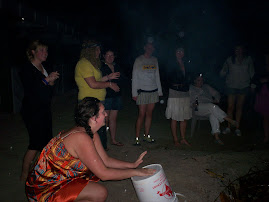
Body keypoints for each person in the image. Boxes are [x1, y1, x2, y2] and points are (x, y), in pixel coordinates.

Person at [25, 97, 155, 201]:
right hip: (45, 189)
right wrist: (136, 173)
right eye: (103, 112)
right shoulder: (81, 137)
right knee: (99, 192)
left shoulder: (90, 131)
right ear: (94, 118)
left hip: (61, 180)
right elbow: (103, 174)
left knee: (95, 190)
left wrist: (132, 166)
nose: (106, 115)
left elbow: (106, 160)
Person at [19, 40, 60, 181]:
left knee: (46, 142)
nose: (45, 53)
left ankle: (40, 171)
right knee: (35, 143)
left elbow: (47, 90)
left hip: (44, 109)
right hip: (32, 110)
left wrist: (51, 81)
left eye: (46, 51)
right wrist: (47, 80)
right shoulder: (27, 68)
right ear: (33, 52)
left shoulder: (44, 67)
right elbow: (32, 89)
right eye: (41, 50)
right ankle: (25, 174)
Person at [74, 40, 120, 150]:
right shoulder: (84, 63)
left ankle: (100, 151)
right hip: (88, 101)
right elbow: (93, 84)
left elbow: (98, 79)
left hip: (97, 100)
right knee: (91, 129)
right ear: (91, 50)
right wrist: (109, 84)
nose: (99, 52)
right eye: (97, 49)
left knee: (100, 128)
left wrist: (108, 77)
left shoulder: (91, 64)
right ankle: (94, 153)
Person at [189, 73, 238, 145]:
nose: (201, 82)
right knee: (212, 106)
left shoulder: (206, 87)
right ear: (195, 81)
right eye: (199, 80)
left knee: (213, 113)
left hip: (209, 107)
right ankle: (230, 120)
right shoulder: (191, 88)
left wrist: (217, 99)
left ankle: (217, 138)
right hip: (197, 107)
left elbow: (216, 93)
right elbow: (190, 100)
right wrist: (192, 103)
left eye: (202, 80)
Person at [132, 42, 163, 145]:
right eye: (148, 47)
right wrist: (134, 93)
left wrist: (159, 91)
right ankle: (137, 138)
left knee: (149, 114)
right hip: (142, 91)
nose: (150, 49)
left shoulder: (154, 60)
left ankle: (147, 135)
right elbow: (135, 76)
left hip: (153, 90)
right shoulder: (139, 60)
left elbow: (157, 76)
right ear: (145, 47)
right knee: (141, 114)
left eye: (152, 47)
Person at [220, 44, 255, 136]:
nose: (238, 51)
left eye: (240, 49)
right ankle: (228, 127)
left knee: (239, 107)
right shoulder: (229, 59)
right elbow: (223, 71)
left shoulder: (248, 59)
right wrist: (222, 73)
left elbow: (252, 73)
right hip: (231, 86)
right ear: (234, 51)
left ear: (243, 50)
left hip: (243, 86)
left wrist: (253, 85)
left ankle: (237, 128)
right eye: (236, 49)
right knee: (230, 107)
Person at [165, 47, 192, 147]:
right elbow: (167, 77)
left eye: (182, 51)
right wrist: (173, 84)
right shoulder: (171, 63)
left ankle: (183, 139)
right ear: (175, 52)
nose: (180, 53)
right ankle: (175, 139)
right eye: (178, 51)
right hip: (175, 92)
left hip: (185, 91)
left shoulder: (187, 63)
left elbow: (189, 77)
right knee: (175, 117)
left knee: (184, 116)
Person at [100, 48, 124, 146]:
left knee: (113, 119)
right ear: (104, 56)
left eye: (112, 55)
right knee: (104, 119)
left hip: (117, 96)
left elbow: (122, 79)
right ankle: (103, 141)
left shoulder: (117, 66)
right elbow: (97, 80)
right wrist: (109, 78)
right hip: (106, 96)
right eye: (108, 55)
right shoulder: (100, 67)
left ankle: (113, 140)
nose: (110, 57)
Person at [252, 53, 269, 143]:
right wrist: (255, 86)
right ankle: (266, 137)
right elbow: (255, 80)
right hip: (262, 95)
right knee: (265, 117)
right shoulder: (261, 69)